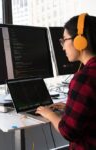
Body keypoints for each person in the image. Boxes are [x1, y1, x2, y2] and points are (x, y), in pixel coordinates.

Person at [36, 13, 96, 150]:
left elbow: (69, 132)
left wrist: (49, 114)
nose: (62, 47)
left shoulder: (84, 79)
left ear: (80, 41)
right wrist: (70, 108)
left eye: (64, 40)